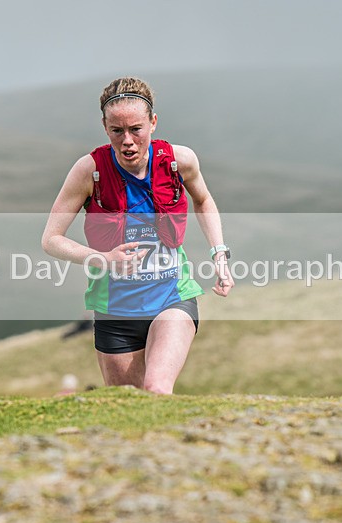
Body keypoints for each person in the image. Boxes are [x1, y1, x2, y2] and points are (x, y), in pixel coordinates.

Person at [42, 77, 233, 395]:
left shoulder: (178, 162)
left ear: (153, 123)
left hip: (173, 297)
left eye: (136, 129)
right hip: (115, 311)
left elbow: (203, 199)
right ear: (105, 127)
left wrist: (220, 253)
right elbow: (51, 239)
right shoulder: (89, 171)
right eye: (117, 131)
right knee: (129, 408)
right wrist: (102, 259)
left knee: (157, 389)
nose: (127, 140)